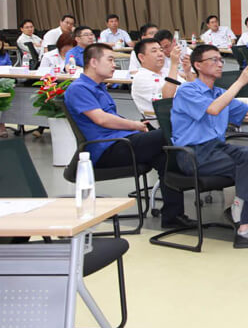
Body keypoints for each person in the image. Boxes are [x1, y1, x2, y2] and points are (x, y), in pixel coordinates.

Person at [63, 43, 191, 228]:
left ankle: (173, 216)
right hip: (107, 148)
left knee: (164, 155)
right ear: (93, 62)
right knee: (169, 135)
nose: (114, 64)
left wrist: (135, 128)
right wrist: (134, 125)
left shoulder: (99, 87)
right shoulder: (79, 88)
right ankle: (202, 172)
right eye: (110, 60)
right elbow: (101, 119)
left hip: (121, 142)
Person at [171, 44, 248, 248]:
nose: (220, 64)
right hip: (193, 154)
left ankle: (240, 214)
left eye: (221, 60)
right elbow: (213, 109)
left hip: (217, 148)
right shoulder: (187, 90)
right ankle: (244, 226)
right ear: (198, 65)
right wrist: (240, 81)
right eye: (214, 60)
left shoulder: (219, 92)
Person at [130, 37, 194, 116]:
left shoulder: (166, 71)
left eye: (161, 50)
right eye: (154, 51)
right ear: (142, 57)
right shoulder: (141, 77)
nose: (160, 54)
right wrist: (174, 64)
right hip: (166, 120)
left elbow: (193, 90)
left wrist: (188, 72)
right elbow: (166, 100)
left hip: (186, 113)